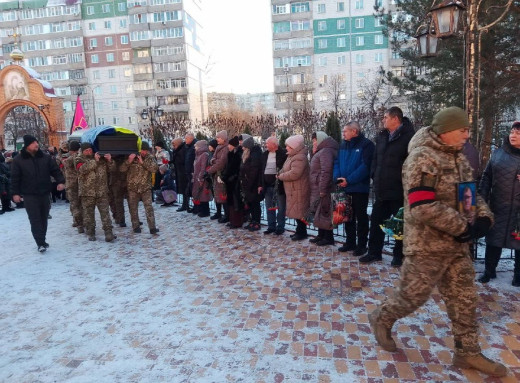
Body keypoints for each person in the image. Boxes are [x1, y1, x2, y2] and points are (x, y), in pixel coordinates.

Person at [368, 106, 507, 378]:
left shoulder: (459, 160)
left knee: (465, 299)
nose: (467, 134)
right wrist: (461, 227)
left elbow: (469, 196)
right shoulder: (422, 158)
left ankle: (468, 352)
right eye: (462, 129)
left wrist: (481, 217)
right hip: (426, 247)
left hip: (456, 247)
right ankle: (382, 317)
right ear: (446, 131)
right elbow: (421, 205)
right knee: (412, 296)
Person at [361, 107, 415, 266]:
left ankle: (398, 256)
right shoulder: (382, 136)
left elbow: (410, 164)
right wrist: (374, 175)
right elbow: (375, 160)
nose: (383, 120)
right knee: (376, 222)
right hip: (382, 189)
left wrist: (402, 182)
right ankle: (374, 252)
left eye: (385, 117)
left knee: (400, 225)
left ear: (395, 119)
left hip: (398, 190)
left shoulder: (409, 137)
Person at [478, 121, 520, 286]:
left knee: (519, 244)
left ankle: (518, 275)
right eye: (512, 132)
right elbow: (487, 176)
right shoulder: (498, 154)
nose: (513, 135)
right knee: (493, 240)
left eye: (517, 133)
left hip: (518, 212)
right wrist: (481, 198)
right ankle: (489, 271)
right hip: (498, 206)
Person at [10, 135, 65, 252]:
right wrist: (15, 193)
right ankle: (39, 243)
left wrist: (60, 182)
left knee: (44, 217)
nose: (36, 144)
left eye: (36, 142)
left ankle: (42, 239)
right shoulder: (18, 160)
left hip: (45, 192)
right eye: (33, 143)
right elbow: (14, 178)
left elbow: (55, 170)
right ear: (27, 145)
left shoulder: (45, 157)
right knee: (35, 219)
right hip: (29, 194)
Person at [333, 121, 375, 254]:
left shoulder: (367, 145)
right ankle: (350, 242)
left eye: (345, 131)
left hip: (359, 188)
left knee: (361, 218)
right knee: (347, 217)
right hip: (344, 187)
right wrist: (338, 178)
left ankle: (362, 245)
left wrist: (349, 180)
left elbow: (365, 166)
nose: (343, 134)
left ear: (354, 131)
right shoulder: (343, 145)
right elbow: (337, 162)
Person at [75, 142, 116, 242]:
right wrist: (95, 161)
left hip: (101, 191)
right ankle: (91, 233)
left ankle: (108, 233)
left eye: (90, 149)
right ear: (83, 151)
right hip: (87, 193)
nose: (89, 152)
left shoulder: (101, 158)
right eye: (86, 150)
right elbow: (82, 169)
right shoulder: (78, 159)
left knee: (105, 213)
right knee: (89, 215)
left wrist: (110, 160)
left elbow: (112, 169)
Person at [120, 142, 159, 234]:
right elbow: (121, 169)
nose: (143, 152)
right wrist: (129, 161)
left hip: (145, 187)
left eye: (145, 150)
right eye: (142, 150)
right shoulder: (131, 157)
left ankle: (152, 227)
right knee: (133, 208)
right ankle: (135, 226)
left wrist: (143, 163)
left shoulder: (150, 157)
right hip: (133, 188)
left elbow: (154, 169)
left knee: (149, 207)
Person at [309, 131, 339, 246]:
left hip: (323, 186)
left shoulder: (326, 151)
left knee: (325, 211)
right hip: (318, 185)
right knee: (320, 211)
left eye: (315, 140)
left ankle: (328, 237)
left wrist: (323, 188)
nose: (314, 143)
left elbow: (326, 171)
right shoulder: (322, 150)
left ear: (321, 139)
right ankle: (321, 235)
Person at [277, 134, 310, 241]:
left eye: (288, 146)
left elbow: (295, 173)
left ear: (294, 147)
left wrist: (280, 176)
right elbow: (285, 168)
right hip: (293, 189)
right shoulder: (291, 156)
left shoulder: (300, 157)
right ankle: (299, 231)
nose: (286, 147)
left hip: (298, 189)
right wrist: (280, 172)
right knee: (296, 211)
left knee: (299, 212)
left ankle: (302, 232)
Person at [260, 136, 287, 235]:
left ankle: (280, 227)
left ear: (274, 144)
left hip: (279, 185)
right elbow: (261, 170)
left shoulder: (283, 154)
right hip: (267, 185)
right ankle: (271, 226)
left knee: (281, 207)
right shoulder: (264, 155)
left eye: (267, 143)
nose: (265, 145)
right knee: (269, 207)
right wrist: (260, 184)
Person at [239, 136, 263, 231]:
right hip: (248, 183)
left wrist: (249, 182)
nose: (242, 148)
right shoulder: (249, 154)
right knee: (251, 204)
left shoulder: (255, 155)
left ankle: (256, 222)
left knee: (255, 204)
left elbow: (254, 171)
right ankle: (253, 221)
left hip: (254, 184)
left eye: (244, 147)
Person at [206, 131, 229, 221]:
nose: (217, 139)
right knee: (217, 195)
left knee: (223, 195)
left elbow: (221, 163)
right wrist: (214, 161)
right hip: (216, 174)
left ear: (223, 138)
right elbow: (212, 159)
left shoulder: (225, 148)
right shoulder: (218, 147)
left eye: (218, 137)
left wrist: (209, 170)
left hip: (222, 175)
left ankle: (227, 215)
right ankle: (219, 213)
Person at [222, 136, 244, 228]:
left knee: (236, 202)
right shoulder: (231, 154)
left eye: (230, 145)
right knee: (231, 202)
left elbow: (238, 169)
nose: (228, 146)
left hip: (235, 182)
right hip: (229, 181)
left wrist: (233, 177)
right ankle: (232, 220)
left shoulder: (238, 154)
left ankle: (237, 222)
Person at [62, 140, 83, 232]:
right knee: (80, 205)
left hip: (72, 185)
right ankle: (82, 223)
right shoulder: (80, 157)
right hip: (78, 184)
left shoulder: (66, 158)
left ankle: (79, 224)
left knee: (75, 205)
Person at [191, 140, 212, 217]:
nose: (195, 148)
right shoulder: (198, 155)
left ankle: (206, 211)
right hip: (197, 177)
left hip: (202, 178)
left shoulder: (204, 155)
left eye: (196, 146)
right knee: (199, 194)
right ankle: (201, 209)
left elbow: (203, 167)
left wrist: (201, 177)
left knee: (203, 195)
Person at [172, 137, 189, 212]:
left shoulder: (183, 149)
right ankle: (184, 204)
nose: (173, 146)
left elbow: (183, 160)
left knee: (185, 189)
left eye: (174, 144)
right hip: (179, 171)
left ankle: (186, 205)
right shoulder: (178, 150)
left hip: (183, 172)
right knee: (183, 189)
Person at [184, 133, 197, 212]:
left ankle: (197, 207)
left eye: (186, 138)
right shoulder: (189, 147)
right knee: (191, 190)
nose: (185, 140)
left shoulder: (194, 147)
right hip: (189, 172)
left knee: (194, 190)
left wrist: (192, 171)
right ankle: (195, 206)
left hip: (193, 172)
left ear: (191, 138)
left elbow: (195, 160)